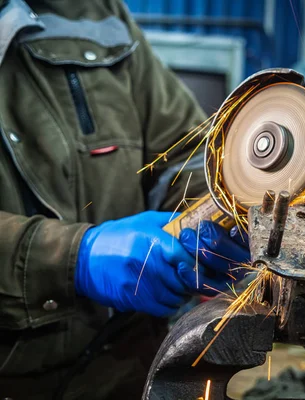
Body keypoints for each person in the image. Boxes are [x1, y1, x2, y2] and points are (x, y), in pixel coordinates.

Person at [0, 0, 249, 398]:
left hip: (127, 375)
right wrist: (73, 259)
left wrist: (221, 202)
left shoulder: (97, 12)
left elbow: (183, 153)